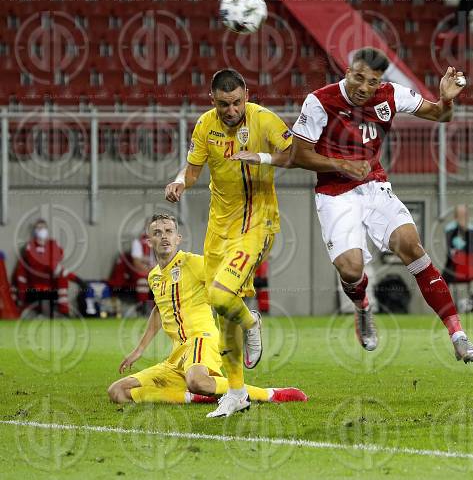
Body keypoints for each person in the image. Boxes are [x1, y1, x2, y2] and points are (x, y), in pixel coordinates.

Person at [285, 47, 473, 363]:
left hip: (375, 186)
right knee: (350, 271)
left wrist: (446, 99)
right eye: (358, 77)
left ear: (380, 82)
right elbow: (298, 155)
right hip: (335, 194)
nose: (364, 87)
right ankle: (363, 304)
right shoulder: (320, 101)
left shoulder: (390, 95)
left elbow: (440, 115)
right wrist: (343, 165)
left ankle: (458, 335)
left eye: (372, 81)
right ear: (347, 71)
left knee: (411, 245)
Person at [164, 69, 293, 417]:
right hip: (218, 229)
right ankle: (235, 392)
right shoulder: (206, 125)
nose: (231, 109)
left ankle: (253, 322)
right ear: (213, 101)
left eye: (237, 102)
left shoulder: (263, 120)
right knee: (220, 311)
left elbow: (293, 152)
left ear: (246, 96)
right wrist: (179, 182)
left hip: (257, 224)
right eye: (224, 104)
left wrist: (262, 157)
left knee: (223, 296)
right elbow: (192, 170)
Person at [107, 214, 307, 406]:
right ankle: (198, 397)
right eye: (157, 232)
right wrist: (139, 350)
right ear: (149, 241)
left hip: (202, 339)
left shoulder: (193, 262)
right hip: (177, 354)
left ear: (178, 238)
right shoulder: (154, 276)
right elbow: (159, 310)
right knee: (118, 392)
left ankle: (270, 394)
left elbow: (224, 280)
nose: (164, 236)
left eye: (169, 231)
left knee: (197, 382)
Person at [13, 219, 83, 316]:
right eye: (39, 228)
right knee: (58, 271)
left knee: (61, 277)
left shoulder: (52, 244)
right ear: (34, 231)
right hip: (35, 287)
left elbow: (58, 257)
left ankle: (64, 311)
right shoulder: (30, 246)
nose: (41, 230)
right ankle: (33, 310)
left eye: (43, 228)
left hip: (51, 285)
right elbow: (37, 264)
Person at [442, 204, 473, 284]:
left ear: (468, 215)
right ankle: (447, 297)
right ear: (455, 217)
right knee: (441, 282)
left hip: (472, 266)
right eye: (460, 215)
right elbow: (450, 251)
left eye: (465, 214)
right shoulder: (450, 229)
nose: (463, 217)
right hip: (454, 267)